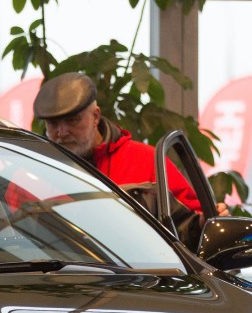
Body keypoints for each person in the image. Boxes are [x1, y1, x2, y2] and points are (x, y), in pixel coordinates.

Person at [32, 71, 206, 214]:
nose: (62, 133)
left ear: (95, 116)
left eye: (72, 120)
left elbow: (192, 224)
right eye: (53, 124)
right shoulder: (31, 173)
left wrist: (204, 221)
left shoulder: (148, 163)